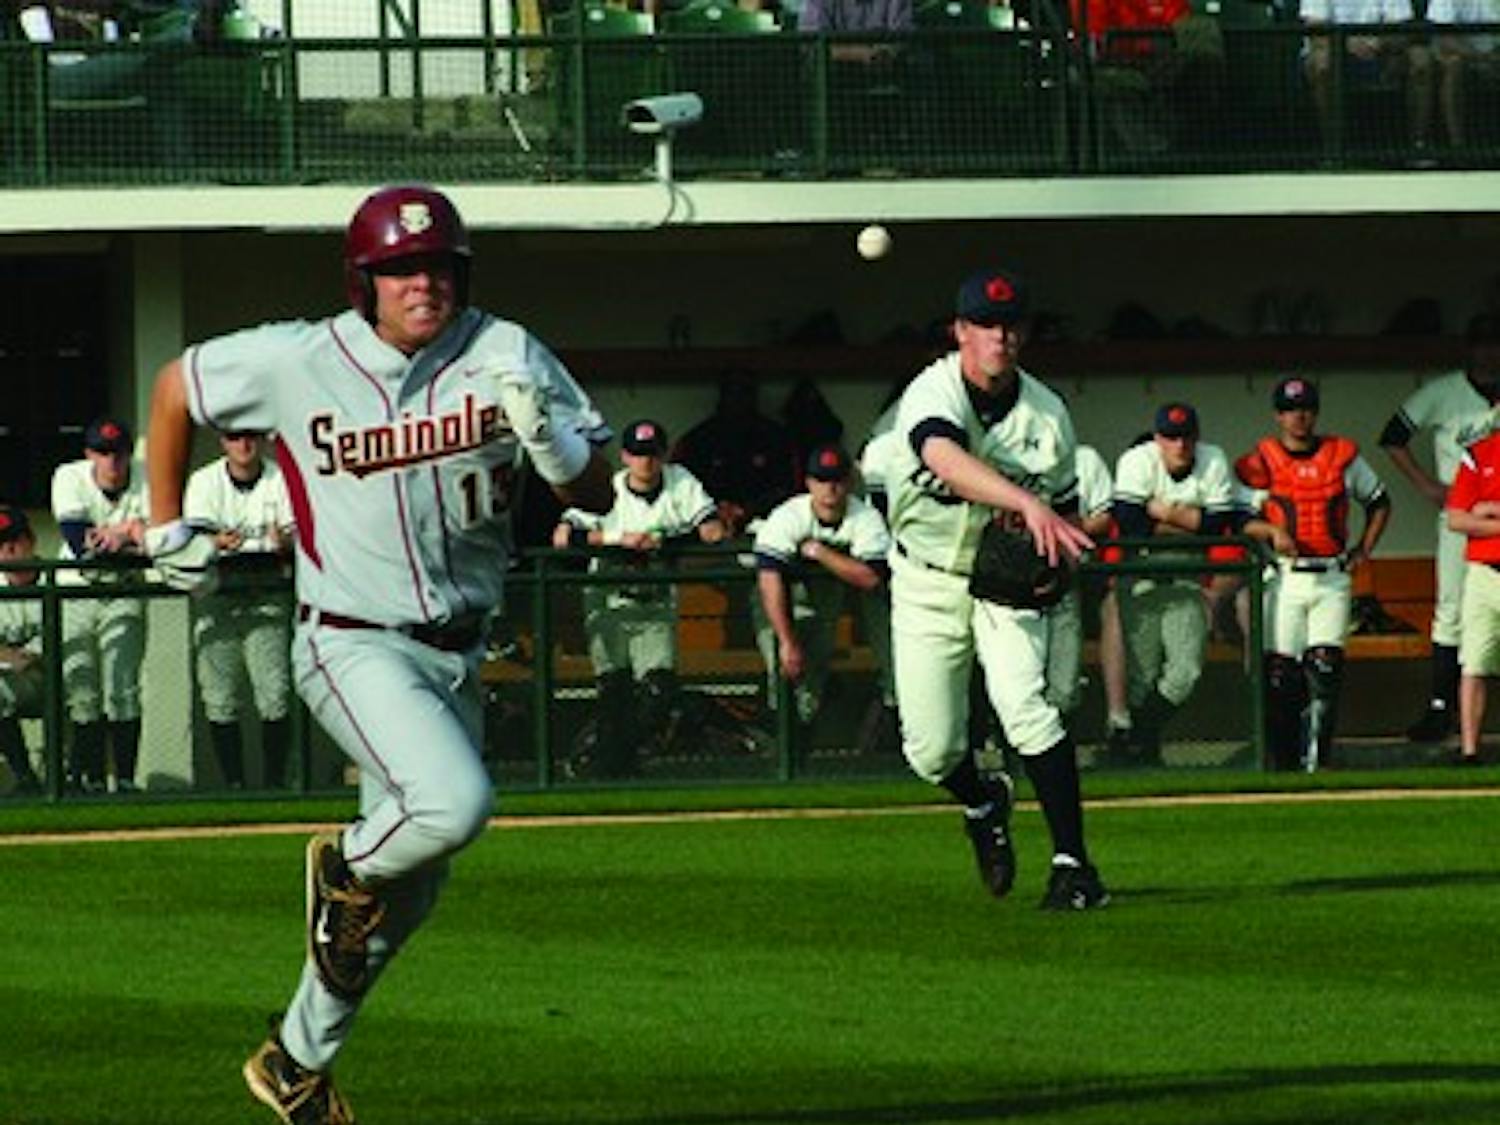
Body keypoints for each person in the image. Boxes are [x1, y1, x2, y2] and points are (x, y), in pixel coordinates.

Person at [143, 183, 614, 1125]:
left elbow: (598, 490)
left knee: (408, 901)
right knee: (453, 804)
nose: (422, 282)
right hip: (352, 641)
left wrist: (557, 449)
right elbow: (172, 387)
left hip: (456, 650)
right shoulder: (298, 359)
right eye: (399, 268)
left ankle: (294, 1062)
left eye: (437, 264)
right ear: (364, 281)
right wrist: (163, 526)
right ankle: (344, 868)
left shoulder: (505, 351)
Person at [883, 266, 1105, 911]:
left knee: (1026, 708)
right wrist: (1026, 506)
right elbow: (941, 457)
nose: (998, 337)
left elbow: (1061, 510)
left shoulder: (1048, 414)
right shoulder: (932, 390)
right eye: (984, 324)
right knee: (931, 751)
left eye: (1010, 325)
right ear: (960, 331)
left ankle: (1074, 867)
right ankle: (984, 802)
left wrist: (1053, 547)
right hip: (925, 578)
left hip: (1001, 584)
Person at [552, 417, 726, 778]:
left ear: (663, 456)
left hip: (655, 600)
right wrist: (618, 540)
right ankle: (607, 765)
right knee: (614, 692)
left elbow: (713, 531)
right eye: (637, 454)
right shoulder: (608, 489)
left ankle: (605, 761)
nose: (645, 463)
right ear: (625, 457)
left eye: (652, 454)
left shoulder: (680, 483)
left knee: (658, 690)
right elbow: (563, 536)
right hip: (609, 598)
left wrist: (665, 541)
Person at [1236, 377, 1390, 771]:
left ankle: (1319, 761)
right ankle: (1283, 760)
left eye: (1305, 408)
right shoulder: (1261, 460)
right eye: (1290, 410)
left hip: (1331, 575)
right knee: (1281, 675)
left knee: (1325, 666)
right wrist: (1272, 532)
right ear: (1278, 415)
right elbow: (1239, 520)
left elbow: (1378, 501)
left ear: (1316, 412)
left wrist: (1364, 550)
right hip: (1285, 576)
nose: (1298, 417)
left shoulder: (1342, 456)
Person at [1378, 338, 1500, 741]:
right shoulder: (1444, 391)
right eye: (1483, 345)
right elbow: (1393, 435)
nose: (1488, 353)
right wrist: (1426, 485)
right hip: (1461, 508)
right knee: (1450, 608)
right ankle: (1440, 709)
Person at [1109, 403, 1238, 765]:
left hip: (1186, 573)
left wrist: (1166, 513)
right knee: (1143, 675)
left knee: (1186, 671)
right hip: (1141, 570)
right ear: (1157, 438)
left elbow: (1218, 526)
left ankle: (1138, 735)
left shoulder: (1212, 459)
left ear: (1197, 437)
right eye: (1170, 437)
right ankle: (1144, 756)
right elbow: (1130, 524)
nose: (1179, 445)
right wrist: (1190, 522)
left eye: (1186, 437)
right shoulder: (1137, 459)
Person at [752, 443, 891, 756]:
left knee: (811, 683)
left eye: (837, 479)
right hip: (780, 601)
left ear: (849, 481)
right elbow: (769, 579)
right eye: (822, 479)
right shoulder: (788, 516)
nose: (830, 487)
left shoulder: (864, 516)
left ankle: (798, 758)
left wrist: (820, 552)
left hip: (824, 601)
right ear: (809, 482)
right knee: (782, 673)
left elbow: (870, 577)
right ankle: (775, 753)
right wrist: (787, 641)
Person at [183, 430, 295, 790]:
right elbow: (194, 540)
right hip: (218, 592)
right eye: (235, 438)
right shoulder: (204, 481)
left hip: (266, 590)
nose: (243, 445)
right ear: (223, 443)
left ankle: (274, 784)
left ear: (261, 441)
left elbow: (294, 537)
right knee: (219, 696)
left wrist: (285, 542)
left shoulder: (280, 477)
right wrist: (214, 542)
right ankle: (234, 785)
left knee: (274, 693)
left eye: (250, 437)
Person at [51, 415, 148, 794]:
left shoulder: (147, 475)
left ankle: (124, 779)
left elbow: (160, 537)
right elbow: (80, 543)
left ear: (129, 453)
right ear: (90, 453)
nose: (112, 461)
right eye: (103, 452)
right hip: (79, 586)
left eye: (119, 452)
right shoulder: (69, 476)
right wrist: (131, 532)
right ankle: (88, 779)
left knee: (123, 685)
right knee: (82, 686)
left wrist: (121, 535)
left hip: (125, 588)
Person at [1300, 0, 1435, 163]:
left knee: (1421, 61)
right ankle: (1331, 149)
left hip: (1383, 52)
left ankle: (1418, 146)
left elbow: (1400, 28)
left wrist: (1379, 42)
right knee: (1321, 63)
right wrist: (1349, 43)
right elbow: (1317, 31)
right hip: (1337, 51)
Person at [672, 370, 800, 538]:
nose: (738, 401)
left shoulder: (775, 437)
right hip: (707, 524)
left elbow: (791, 487)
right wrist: (715, 509)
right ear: (722, 396)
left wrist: (747, 509)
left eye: (744, 394)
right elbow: (680, 485)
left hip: (767, 523)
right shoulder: (699, 438)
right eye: (732, 394)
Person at [1444, 427, 1500, 764]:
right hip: (1485, 572)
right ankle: (1469, 752)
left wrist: (1490, 511)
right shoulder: (1479, 454)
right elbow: (1456, 518)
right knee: (1474, 662)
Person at [0, 506, 45, 796]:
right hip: (12, 681)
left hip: (58, 677)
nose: (9, 549)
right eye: (0, 543)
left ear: (31, 540)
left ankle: (82, 778)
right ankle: (24, 776)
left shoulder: (59, 576)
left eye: (15, 539)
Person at [1429, 0, 1500, 151]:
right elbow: (1444, 38)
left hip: (1495, 57)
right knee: (1454, 66)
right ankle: (1458, 146)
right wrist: (1480, 57)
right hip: (1466, 58)